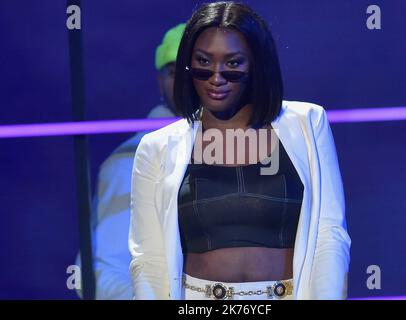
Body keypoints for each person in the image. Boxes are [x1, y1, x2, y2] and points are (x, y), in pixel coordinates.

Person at [129, 2, 350, 300]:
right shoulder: (156, 148)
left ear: (257, 65)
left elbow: (329, 235)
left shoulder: (307, 124)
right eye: (203, 62)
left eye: (233, 63)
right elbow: (149, 259)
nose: (216, 76)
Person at [76, 23, 185, 300]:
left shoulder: (249, 149)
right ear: (160, 80)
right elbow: (98, 270)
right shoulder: (133, 160)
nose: (187, 82)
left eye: (196, 70)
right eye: (175, 72)